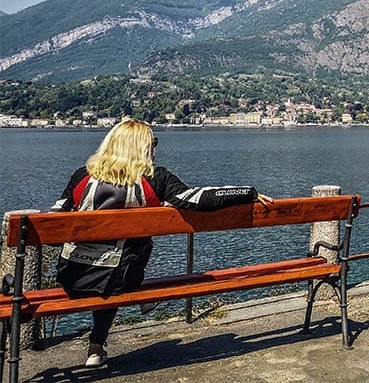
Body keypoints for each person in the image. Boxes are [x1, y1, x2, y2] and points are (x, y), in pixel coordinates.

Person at [51, 118, 271, 368]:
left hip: (72, 276)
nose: (155, 149)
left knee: (111, 262)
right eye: (152, 143)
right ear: (142, 148)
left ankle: (96, 347)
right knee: (122, 261)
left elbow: (55, 218)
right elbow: (196, 199)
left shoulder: (82, 176)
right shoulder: (155, 179)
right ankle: (112, 326)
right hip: (121, 279)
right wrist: (247, 192)